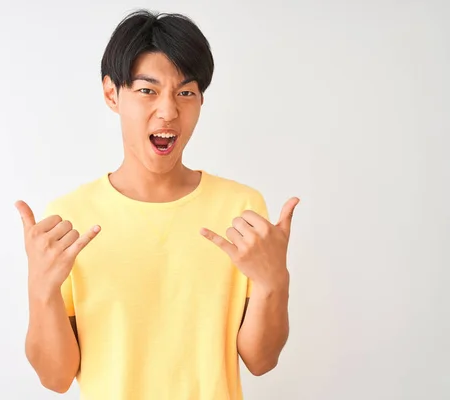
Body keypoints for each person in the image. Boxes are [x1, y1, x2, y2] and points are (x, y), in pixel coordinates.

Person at [15, 9, 299, 400]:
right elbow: (56, 377)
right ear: (112, 93)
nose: (168, 110)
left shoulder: (241, 208)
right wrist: (40, 291)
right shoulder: (68, 220)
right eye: (147, 90)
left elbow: (260, 360)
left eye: (185, 92)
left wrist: (274, 282)